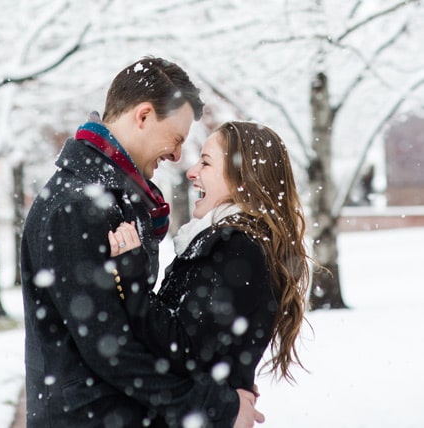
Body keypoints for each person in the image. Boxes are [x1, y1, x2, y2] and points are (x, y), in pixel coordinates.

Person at [21, 58, 264, 428]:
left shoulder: (114, 198)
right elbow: (111, 350)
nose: (178, 156)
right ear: (144, 116)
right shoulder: (76, 206)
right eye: (177, 138)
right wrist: (214, 407)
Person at [108, 120, 310, 421]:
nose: (191, 172)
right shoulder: (231, 243)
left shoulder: (239, 247)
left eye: (205, 162)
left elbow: (183, 349)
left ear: (243, 176)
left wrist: (130, 274)